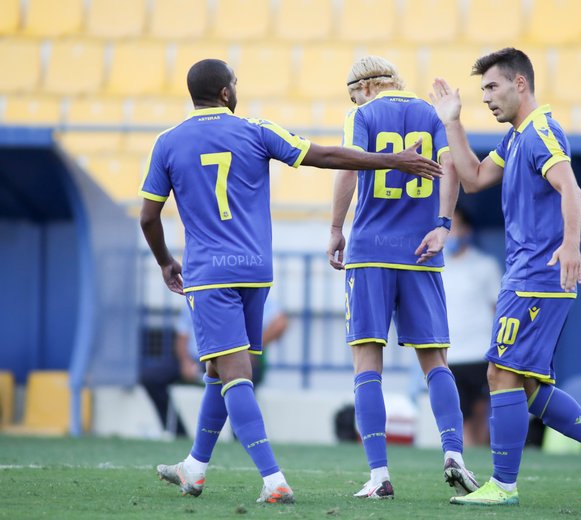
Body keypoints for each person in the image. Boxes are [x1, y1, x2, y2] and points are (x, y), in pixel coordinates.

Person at [140, 58, 442, 505]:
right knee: (218, 369)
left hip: (208, 274)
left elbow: (148, 217)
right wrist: (391, 160)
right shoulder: (257, 130)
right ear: (225, 92)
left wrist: (166, 261)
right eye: (235, 83)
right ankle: (195, 467)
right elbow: (326, 156)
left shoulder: (167, 142)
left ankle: (273, 479)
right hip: (255, 271)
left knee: (233, 371)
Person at [430, 47, 581, 507]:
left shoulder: (541, 131)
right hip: (524, 276)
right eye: (482, 89)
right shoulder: (515, 137)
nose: (486, 97)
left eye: (492, 87)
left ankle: (503, 485)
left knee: (500, 374)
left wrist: (572, 244)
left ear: (519, 83)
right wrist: (453, 122)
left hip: (535, 278)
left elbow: (571, 188)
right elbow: (473, 178)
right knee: (528, 386)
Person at [327, 56, 479, 500]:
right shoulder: (431, 114)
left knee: (366, 364)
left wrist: (335, 228)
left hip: (370, 252)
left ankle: (379, 475)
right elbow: (451, 166)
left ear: (364, 87)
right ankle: (454, 454)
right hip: (421, 251)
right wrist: (444, 225)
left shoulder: (362, 116)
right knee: (436, 362)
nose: (354, 102)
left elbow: (349, 168)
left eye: (353, 95)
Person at [442, 206, 502, 446]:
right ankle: (465, 457)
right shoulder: (435, 266)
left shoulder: (485, 265)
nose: (449, 233)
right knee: (460, 414)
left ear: (466, 230)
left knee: (481, 411)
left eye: (454, 226)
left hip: (480, 351)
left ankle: (481, 455)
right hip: (449, 353)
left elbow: (498, 309)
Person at [174, 296, 289, 385]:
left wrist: (250, 350)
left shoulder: (247, 292)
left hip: (235, 359)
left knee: (234, 386)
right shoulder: (198, 293)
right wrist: (185, 361)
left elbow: (280, 323)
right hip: (200, 361)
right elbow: (182, 334)